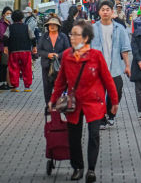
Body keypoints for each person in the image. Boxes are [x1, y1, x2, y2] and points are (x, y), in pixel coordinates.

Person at [49, 20, 119, 182]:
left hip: (94, 102)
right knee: (74, 136)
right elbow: (61, 81)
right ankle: (78, 167)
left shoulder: (96, 56)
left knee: (94, 135)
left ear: (86, 38)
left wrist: (114, 102)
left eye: (76, 34)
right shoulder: (67, 55)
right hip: (74, 102)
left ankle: (91, 170)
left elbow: (108, 80)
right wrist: (53, 100)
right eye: (71, 34)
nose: (72, 38)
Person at [91, 0, 132, 129]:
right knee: (99, 94)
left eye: (107, 9)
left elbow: (124, 49)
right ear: (99, 12)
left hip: (115, 68)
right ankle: (101, 118)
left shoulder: (119, 28)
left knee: (117, 91)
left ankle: (111, 114)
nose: (105, 12)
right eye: (102, 9)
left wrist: (127, 66)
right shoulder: (93, 29)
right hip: (98, 69)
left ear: (112, 11)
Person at [37, 15, 71, 104]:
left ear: (58, 26)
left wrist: (58, 55)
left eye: (54, 24)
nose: (52, 26)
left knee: (59, 87)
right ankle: (48, 106)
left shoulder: (63, 36)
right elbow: (39, 50)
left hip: (59, 66)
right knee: (47, 88)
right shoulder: (44, 37)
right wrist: (47, 54)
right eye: (50, 24)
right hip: (46, 66)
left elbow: (68, 50)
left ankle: (59, 106)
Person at [3, 11, 37, 92]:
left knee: (14, 68)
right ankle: (27, 87)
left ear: (12, 18)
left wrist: (6, 46)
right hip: (26, 51)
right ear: (22, 18)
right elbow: (32, 37)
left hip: (14, 51)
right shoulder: (26, 26)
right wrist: (34, 46)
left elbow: (5, 37)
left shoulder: (10, 27)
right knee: (27, 68)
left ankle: (15, 86)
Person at [0, 7, 12, 90]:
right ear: (3, 15)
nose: (9, 15)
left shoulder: (8, 24)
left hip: (5, 47)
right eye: (7, 14)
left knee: (4, 65)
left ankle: (3, 82)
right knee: (3, 65)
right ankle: (1, 83)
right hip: (2, 47)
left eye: (10, 14)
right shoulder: (1, 24)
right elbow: (1, 36)